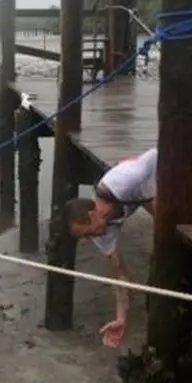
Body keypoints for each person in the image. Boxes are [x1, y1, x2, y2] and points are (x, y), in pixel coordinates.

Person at [64, 147, 157, 348]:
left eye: (86, 233)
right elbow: (119, 276)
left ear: (92, 216)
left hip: (172, 174)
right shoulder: (103, 232)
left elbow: (159, 154)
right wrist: (121, 318)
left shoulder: (123, 181)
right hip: (153, 194)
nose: (90, 240)